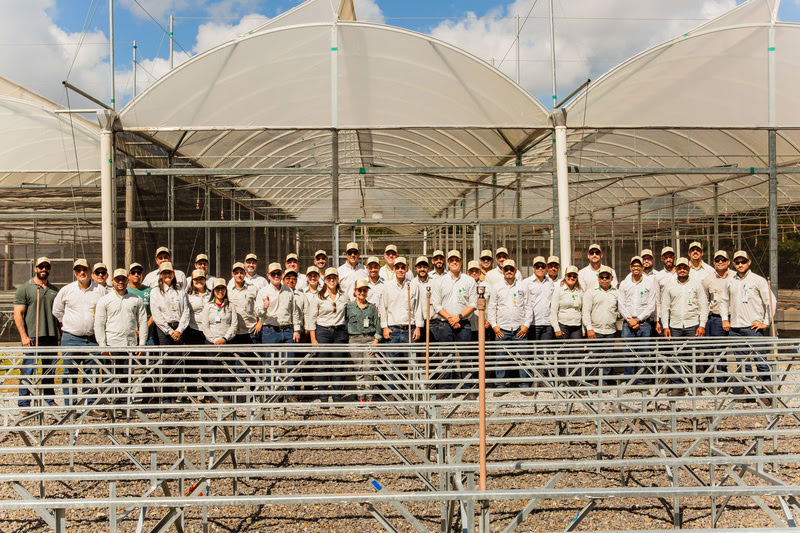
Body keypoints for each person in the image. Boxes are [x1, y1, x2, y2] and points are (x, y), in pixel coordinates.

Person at [720, 251, 775, 402]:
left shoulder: (758, 280)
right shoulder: (730, 281)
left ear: (749, 262)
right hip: (736, 328)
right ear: (733, 264)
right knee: (742, 363)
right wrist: (725, 319)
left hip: (753, 328)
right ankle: (748, 390)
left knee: (760, 361)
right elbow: (724, 301)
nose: (740, 265)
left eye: (743, 262)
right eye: (737, 262)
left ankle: (766, 393)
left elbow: (770, 301)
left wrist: (766, 321)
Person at [52, 258, 106, 406]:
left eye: (85, 269)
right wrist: (70, 323)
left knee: (93, 373)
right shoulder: (66, 290)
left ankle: (91, 406)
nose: (82, 272)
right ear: (75, 272)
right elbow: (57, 311)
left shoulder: (100, 290)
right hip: (71, 338)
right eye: (78, 270)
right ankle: (71, 406)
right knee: (69, 373)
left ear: (90, 271)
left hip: (93, 338)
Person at [94, 269, 148, 406]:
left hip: (129, 345)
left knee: (126, 377)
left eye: (123, 279)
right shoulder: (105, 300)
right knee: (109, 378)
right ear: (112, 281)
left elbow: (142, 322)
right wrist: (102, 345)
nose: (120, 282)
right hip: (111, 345)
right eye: (117, 279)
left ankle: (125, 405)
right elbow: (99, 323)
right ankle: (110, 406)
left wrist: (141, 343)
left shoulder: (136, 299)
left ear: (127, 280)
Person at [14, 257, 60, 408]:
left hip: (51, 336)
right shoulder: (25, 289)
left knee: (49, 370)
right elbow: (18, 314)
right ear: (35, 268)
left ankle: (49, 400)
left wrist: (60, 336)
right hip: (32, 336)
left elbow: (60, 316)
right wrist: (24, 336)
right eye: (41, 267)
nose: (43, 269)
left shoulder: (54, 291)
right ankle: (24, 403)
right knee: (28, 368)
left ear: (50, 269)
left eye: (46, 267)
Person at [430, 250, 477, 393]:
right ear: (448, 263)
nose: (454, 262)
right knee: (446, 356)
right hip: (444, 324)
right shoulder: (440, 281)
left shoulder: (469, 281)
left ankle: (468, 387)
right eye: (451, 260)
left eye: (457, 260)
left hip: (463, 324)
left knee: (466, 356)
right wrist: (451, 318)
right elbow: (436, 304)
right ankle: (446, 387)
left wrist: (459, 317)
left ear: (461, 262)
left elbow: (473, 304)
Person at [660, 257, 708, 396]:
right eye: (679, 268)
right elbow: (665, 307)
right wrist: (665, 326)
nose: (682, 270)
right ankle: (678, 385)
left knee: (692, 356)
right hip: (675, 326)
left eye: (684, 268)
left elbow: (703, 306)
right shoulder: (670, 286)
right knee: (676, 356)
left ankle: (694, 385)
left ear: (689, 269)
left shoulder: (696, 285)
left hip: (692, 324)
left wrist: (702, 324)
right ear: (676, 269)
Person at [258, 263, 302, 400]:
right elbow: (257, 312)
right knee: (272, 364)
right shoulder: (263, 291)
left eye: (278, 273)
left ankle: (290, 392)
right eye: (273, 274)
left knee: (290, 362)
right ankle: (274, 393)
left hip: (287, 330)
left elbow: (294, 312)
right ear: (268, 276)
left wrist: (297, 329)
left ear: (282, 274)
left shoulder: (289, 291)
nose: (276, 276)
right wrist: (264, 308)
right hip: (270, 330)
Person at [149, 261, 190, 403]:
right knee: (165, 362)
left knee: (177, 362)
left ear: (173, 274)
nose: (167, 275)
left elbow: (186, 311)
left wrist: (178, 330)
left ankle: (174, 395)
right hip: (163, 330)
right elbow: (156, 314)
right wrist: (169, 330)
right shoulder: (155, 292)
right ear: (160, 275)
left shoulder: (181, 291)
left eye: (169, 272)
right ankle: (165, 397)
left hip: (179, 328)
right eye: (164, 273)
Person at [487, 259, 531, 392]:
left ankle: (524, 385)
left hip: (519, 329)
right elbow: (492, 307)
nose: (509, 272)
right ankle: (500, 385)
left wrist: (526, 325)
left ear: (516, 271)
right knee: (500, 357)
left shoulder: (522, 286)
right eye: (506, 269)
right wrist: (494, 326)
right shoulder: (497, 286)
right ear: (502, 271)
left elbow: (528, 307)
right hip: (502, 329)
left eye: (511, 269)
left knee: (522, 357)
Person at [307, 268, 349, 403]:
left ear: (338, 280)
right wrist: (313, 338)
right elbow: (311, 319)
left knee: (338, 364)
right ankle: (323, 396)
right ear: (324, 280)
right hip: (323, 331)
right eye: (329, 278)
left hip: (339, 332)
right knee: (323, 364)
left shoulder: (344, 297)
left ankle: (336, 395)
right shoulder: (318, 297)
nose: (331, 280)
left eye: (334, 278)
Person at [380, 257, 422, 386]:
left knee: (412, 361)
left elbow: (418, 307)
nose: (400, 270)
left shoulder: (413, 285)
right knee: (392, 362)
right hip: (393, 329)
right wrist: (384, 327)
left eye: (402, 267)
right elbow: (383, 308)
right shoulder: (387, 286)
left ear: (407, 269)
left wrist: (418, 327)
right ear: (394, 269)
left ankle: (411, 391)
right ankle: (392, 392)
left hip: (410, 329)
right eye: (397, 267)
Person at [618, 256, 657, 380]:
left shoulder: (649, 284)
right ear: (630, 267)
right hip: (628, 323)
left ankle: (641, 381)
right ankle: (630, 380)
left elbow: (651, 306)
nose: (636, 268)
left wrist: (638, 319)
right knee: (628, 354)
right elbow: (621, 304)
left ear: (642, 267)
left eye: (638, 266)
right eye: (633, 266)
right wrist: (630, 320)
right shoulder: (625, 283)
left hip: (644, 323)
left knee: (643, 353)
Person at [200, 279, 239, 396]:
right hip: (212, 342)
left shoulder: (231, 306)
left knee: (227, 369)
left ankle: (226, 395)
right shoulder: (208, 306)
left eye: (222, 288)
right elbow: (205, 326)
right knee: (212, 369)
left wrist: (224, 339)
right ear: (213, 291)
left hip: (227, 341)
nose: (220, 291)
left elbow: (234, 324)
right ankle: (213, 397)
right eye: (217, 289)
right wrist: (215, 341)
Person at [345, 279, 381, 401]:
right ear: (355, 292)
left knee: (369, 367)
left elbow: (377, 325)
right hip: (354, 340)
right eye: (359, 290)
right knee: (358, 368)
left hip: (369, 340)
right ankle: (361, 396)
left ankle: (370, 395)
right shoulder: (349, 307)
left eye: (364, 290)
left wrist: (376, 341)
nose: (362, 292)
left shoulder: (372, 307)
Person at [583, 265, 620, 383]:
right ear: (598, 278)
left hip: (610, 330)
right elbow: (586, 312)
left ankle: (603, 380)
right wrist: (589, 328)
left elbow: (621, 309)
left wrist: (617, 317)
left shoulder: (617, 293)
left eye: (607, 277)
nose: (604, 279)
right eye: (602, 277)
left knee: (607, 357)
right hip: (595, 330)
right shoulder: (591, 292)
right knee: (593, 356)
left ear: (612, 278)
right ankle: (592, 379)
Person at [703, 250, 733, 381]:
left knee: (740, 350)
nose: (720, 262)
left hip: (735, 318)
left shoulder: (736, 277)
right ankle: (721, 380)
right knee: (720, 350)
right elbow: (705, 300)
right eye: (717, 260)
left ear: (728, 262)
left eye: (723, 260)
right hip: (717, 318)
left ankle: (743, 383)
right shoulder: (708, 280)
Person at [185, 270, 211, 394]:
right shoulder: (187, 296)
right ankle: (192, 393)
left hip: (208, 332)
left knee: (207, 363)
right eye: (196, 279)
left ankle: (207, 393)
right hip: (193, 330)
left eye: (201, 279)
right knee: (192, 363)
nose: (199, 281)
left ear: (205, 280)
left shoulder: (211, 294)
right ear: (192, 281)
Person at [228, 262, 261, 345]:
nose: (239, 275)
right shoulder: (228, 290)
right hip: (234, 331)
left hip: (251, 330)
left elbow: (261, 306)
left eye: (241, 273)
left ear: (245, 274)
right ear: (232, 274)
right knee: (235, 357)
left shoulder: (253, 289)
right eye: (236, 273)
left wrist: (260, 322)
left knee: (252, 357)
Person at [524, 256, 555, 341]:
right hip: (533, 324)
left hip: (548, 323)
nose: (540, 269)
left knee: (545, 352)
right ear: (533, 268)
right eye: (538, 267)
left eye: (543, 266)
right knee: (533, 352)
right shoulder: (526, 283)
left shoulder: (550, 282)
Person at [550, 265, 583, 340]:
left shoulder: (580, 292)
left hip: (577, 326)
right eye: (569, 275)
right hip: (563, 325)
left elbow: (583, 311)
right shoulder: (558, 291)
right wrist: (556, 329)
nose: (571, 278)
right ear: (565, 276)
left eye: (574, 276)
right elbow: (553, 311)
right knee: (563, 350)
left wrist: (583, 329)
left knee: (576, 350)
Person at [127, 263, 155, 345]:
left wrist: (144, 329)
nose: (136, 275)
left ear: (142, 275)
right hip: (130, 335)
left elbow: (154, 312)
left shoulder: (150, 291)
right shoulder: (125, 292)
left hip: (148, 336)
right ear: (129, 276)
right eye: (133, 273)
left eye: (138, 272)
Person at [467, 260, 491, 342]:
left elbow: (492, 304)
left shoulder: (487, 286)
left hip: (484, 325)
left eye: (476, 271)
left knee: (485, 351)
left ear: (480, 272)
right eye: (471, 271)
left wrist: (490, 320)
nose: (474, 273)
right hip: (468, 326)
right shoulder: (464, 286)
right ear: (467, 273)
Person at [410, 256, 434, 336]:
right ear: (416, 269)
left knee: (434, 348)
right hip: (416, 325)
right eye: (419, 267)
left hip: (432, 324)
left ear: (428, 268)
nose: (422, 269)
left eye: (424, 267)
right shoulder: (411, 284)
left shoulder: (435, 283)